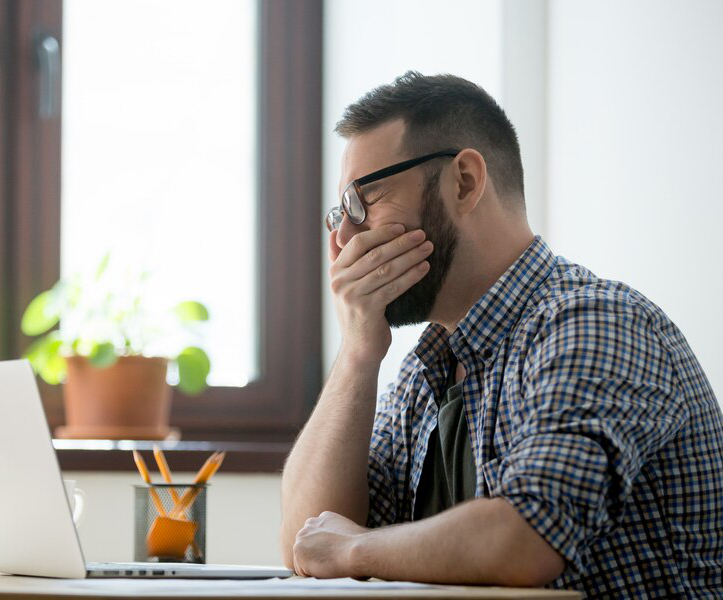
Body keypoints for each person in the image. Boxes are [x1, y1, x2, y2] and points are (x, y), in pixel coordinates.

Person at [279, 72, 723, 598]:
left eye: (365, 200)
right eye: (339, 213)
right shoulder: (426, 373)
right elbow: (309, 542)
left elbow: (526, 536)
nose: (345, 239)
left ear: (464, 181)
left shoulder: (595, 323)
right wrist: (357, 354)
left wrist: (356, 549)